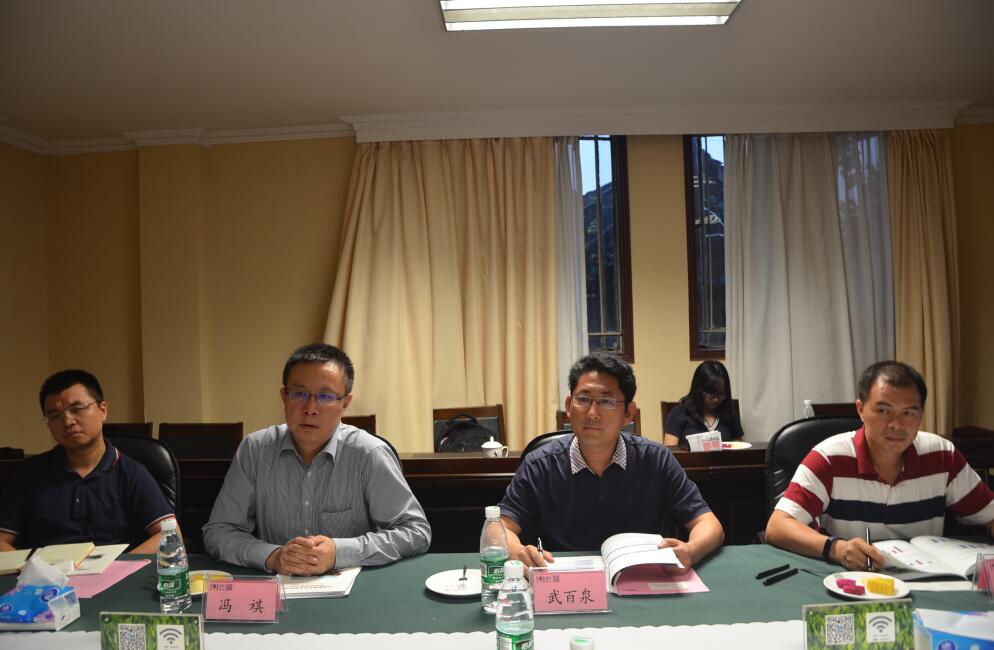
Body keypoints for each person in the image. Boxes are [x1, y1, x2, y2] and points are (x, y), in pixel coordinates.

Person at [203, 343, 431, 574]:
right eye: (299, 394)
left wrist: (339, 552)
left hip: (354, 588)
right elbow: (218, 531)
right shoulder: (255, 451)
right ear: (284, 397)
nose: (310, 408)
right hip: (277, 587)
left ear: (345, 403)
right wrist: (273, 556)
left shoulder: (368, 454)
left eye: (326, 396)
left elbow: (416, 532)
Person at [499, 352, 724, 573]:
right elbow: (497, 529)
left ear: (629, 413)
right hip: (565, 582)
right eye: (583, 399)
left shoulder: (655, 459)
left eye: (607, 401)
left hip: (640, 579)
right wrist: (517, 551)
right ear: (568, 405)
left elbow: (709, 524)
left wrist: (691, 550)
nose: (592, 413)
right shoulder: (540, 465)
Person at [766, 360, 994, 570]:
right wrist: (837, 549)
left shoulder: (942, 456)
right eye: (883, 411)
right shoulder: (829, 457)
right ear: (860, 409)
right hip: (849, 580)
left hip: (927, 581)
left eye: (908, 413)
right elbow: (778, 526)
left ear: (921, 415)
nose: (896, 425)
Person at [0, 369, 175, 553]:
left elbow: (171, 535)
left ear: (103, 410)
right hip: (46, 569)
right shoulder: (29, 473)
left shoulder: (130, 472)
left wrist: (124, 566)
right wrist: (30, 567)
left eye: (77, 409)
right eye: (55, 416)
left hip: (113, 567)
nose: (67, 422)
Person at [664, 360, 744, 447]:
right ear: (698, 390)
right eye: (711, 393)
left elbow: (739, 449)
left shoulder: (730, 413)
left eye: (721, 393)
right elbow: (670, 452)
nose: (716, 399)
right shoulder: (679, 413)